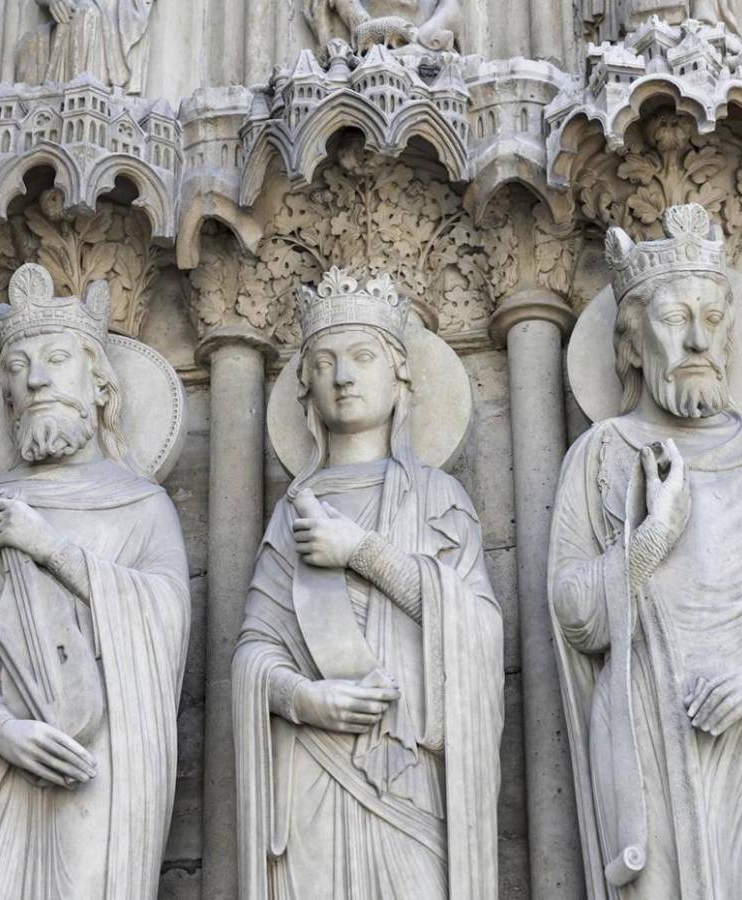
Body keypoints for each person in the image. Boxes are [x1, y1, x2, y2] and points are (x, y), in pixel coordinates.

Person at [549, 204, 742, 899]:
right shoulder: (599, 455)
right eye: (676, 319)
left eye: (712, 319)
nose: (698, 339)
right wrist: (652, 538)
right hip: (646, 731)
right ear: (631, 345)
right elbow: (573, 613)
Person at [233, 268, 503, 899]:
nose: (343, 377)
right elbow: (253, 651)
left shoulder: (438, 497)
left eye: (362, 357)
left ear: (399, 373)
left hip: (408, 770)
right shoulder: (293, 513)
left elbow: (479, 629)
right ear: (306, 385)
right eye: (324, 363)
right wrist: (303, 700)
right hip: (312, 770)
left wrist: (361, 552)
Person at [0, 264, 190, 899]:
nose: (36, 378)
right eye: (17, 366)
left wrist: (51, 549)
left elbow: (168, 619)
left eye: (57, 359)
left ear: (99, 384)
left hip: (97, 762)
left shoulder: (142, 505)